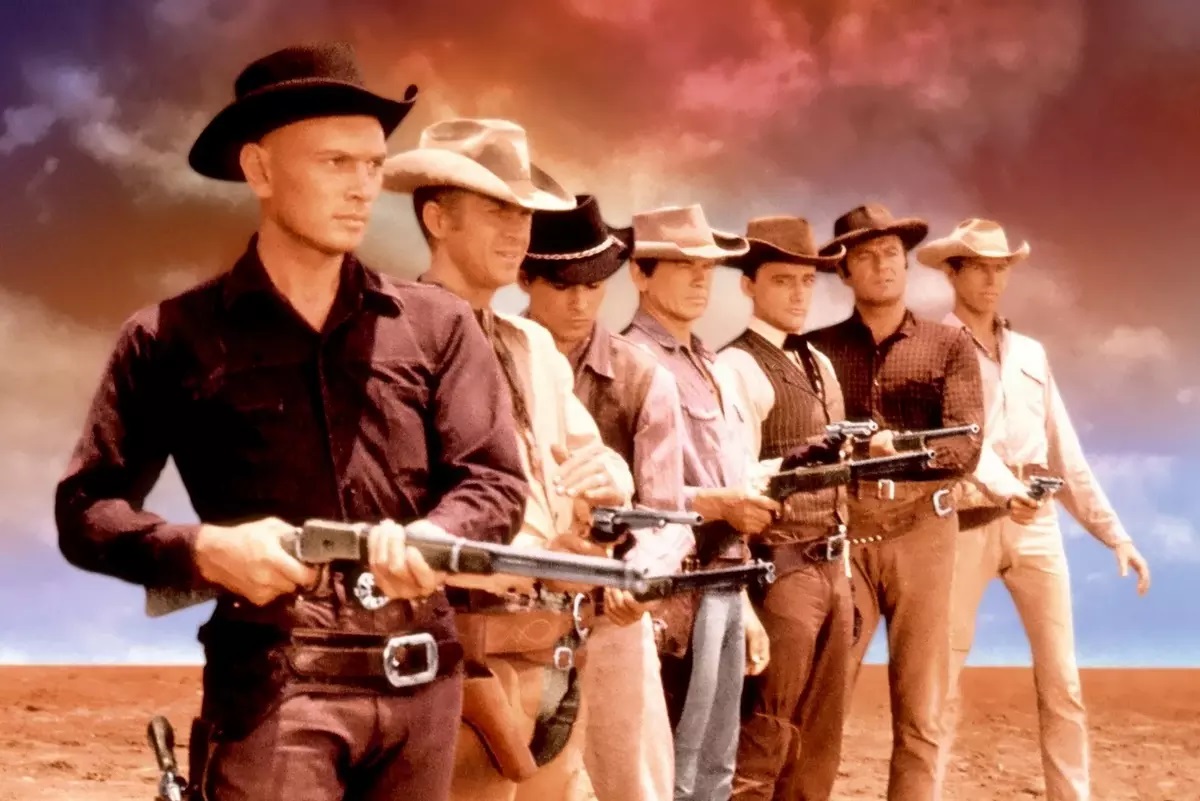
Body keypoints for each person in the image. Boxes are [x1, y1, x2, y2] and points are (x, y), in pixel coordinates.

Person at [55, 43, 530, 801]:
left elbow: (494, 481)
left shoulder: (438, 325)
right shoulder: (169, 337)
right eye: (336, 162)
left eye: (373, 165)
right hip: (275, 687)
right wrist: (205, 549)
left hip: (423, 684)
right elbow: (86, 510)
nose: (362, 187)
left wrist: (437, 535)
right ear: (261, 170)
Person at [382, 118, 635, 801]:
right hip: (462, 648)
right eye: (496, 210)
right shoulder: (394, 337)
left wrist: (611, 479)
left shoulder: (532, 344)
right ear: (438, 219)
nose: (517, 231)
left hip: (551, 645)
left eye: (522, 213)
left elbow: (595, 460)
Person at [916, 218, 1152, 801]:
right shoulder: (932, 346)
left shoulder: (1030, 353)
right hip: (963, 521)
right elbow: (951, 442)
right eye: (979, 267)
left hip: (1037, 523)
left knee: (1062, 679)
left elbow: (1062, 449)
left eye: (1000, 268)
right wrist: (1003, 491)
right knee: (941, 679)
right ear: (953, 273)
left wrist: (1115, 535)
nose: (992, 280)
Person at [806, 203, 985, 801]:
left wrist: (895, 450)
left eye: (891, 254)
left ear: (906, 265)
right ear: (844, 271)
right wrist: (856, 454)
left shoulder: (949, 345)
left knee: (921, 706)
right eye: (865, 257)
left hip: (923, 531)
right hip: (843, 532)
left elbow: (965, 447)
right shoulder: (815, 351)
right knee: (822, 697)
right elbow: (802, 444)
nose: (882, 266)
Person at [520, 194, 690, 801]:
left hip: (611, 611)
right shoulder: (487, 357)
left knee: (634, 780)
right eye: (562, 285)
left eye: (593, 286)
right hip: (513, 611)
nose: (579, 302)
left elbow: (669, 515)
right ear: (525, 278)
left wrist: (637, 577)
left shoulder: (644, 378)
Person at [622, 203, 778, 801]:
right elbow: (631, 495)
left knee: (718, 763)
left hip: (725, 578)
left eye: (707, 267)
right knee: (675, 765)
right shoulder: (630, 361)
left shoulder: (710, 365)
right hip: (676, 589)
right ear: (640, 273)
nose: (699, 278)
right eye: (683, 265)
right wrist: (718, 504)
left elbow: (730, 477)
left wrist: (745, 599)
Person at [714, 216, 852, 801]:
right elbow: (736, 480)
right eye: (782, 280)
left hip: (834, 566)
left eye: (807, 281)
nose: (798, 294)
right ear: (749, 285)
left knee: (819, 737)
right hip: (781, 567)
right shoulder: (736, 366)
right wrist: (743, 597)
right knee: (766, 728)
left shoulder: (819, 362)